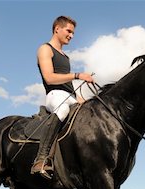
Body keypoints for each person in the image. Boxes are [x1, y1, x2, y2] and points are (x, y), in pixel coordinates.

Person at [31, 15, 94, 179]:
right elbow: (50, 78)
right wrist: (78, 75)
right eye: (69, 31)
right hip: (55, 95)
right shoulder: (45, 49)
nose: (71, 36)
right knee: (63, 109)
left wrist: (85, 101)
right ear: (57, 28)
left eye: (73, 33)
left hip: (69, 95)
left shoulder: (66, 57)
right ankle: (41, 160)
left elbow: (69, 86)